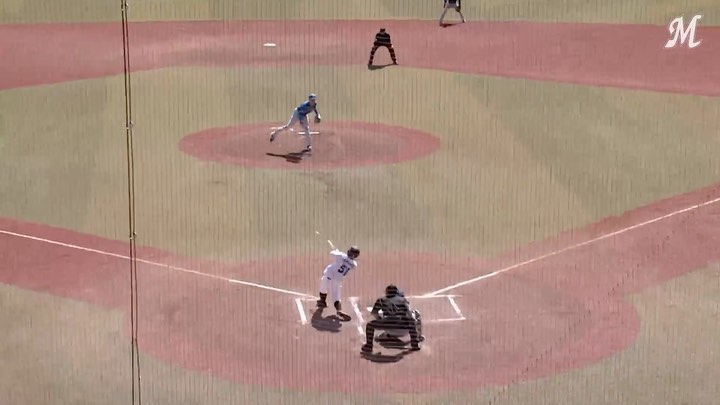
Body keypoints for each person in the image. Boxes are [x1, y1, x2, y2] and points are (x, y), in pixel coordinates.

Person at [361, 285, 422, 353]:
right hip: (403, 329)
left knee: (370, 325)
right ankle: (415, 344)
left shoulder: (381, 300)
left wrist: (380, 319)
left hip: (388, 327)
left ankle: (369, 346)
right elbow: (409, 314)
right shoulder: (403, 300)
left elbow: (374, 313)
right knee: (413, 318)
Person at [316, 246, 360, 317]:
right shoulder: (354, 264)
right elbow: (347, 261)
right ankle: (339, 310)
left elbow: (331, 253)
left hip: (330, 274)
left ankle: (322, 301)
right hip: (338, 279)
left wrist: (337, 252)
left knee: (323, 287)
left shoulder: (340, 255)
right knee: (336, 296)